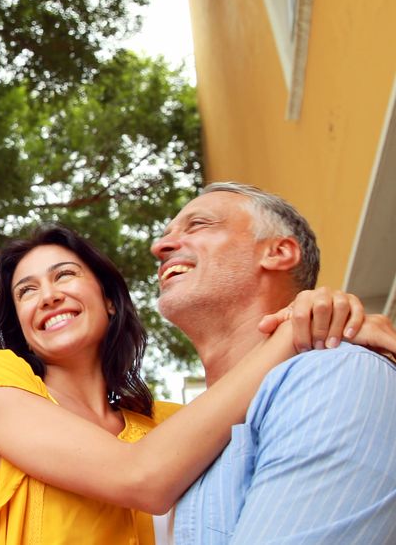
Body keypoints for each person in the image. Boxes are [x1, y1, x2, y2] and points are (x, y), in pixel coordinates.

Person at [0, 223, 395, 544]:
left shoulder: (169, 425)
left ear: (109, 301)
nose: (47, 295)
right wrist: (297, 332)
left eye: (64, 275)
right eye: (26, 291)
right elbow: (141, 477)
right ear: (20, 321)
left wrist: (341, 329)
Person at [152, 182, 396, 544]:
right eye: (166, 234)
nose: (160, 247)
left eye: (198, 224)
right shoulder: (185, 450)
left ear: (279, 252)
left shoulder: (336, 373)